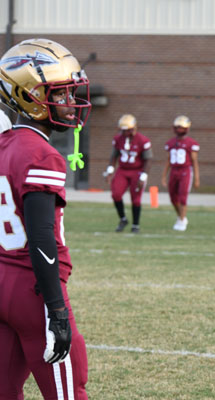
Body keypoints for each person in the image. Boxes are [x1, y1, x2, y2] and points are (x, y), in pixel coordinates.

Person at [0, 38, 90, 399]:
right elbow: (41, 238)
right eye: (61, 94)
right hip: (32, 288)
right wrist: (56, 309)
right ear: (30, 96)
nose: (71, 103)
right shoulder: (40, 154)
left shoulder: (5, 145)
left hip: (2, 277)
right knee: (68, 393)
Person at [103, 114, 153, 233]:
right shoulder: (118, 139)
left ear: (133, 129)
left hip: (137, 171)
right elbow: (114, 156)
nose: (124, 132)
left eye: (127, 130)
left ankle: (135, 225)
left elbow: (148, 160)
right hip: (122, 170)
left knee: (136, 199)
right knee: (116, 194)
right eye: (123, 130)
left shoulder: (143, 140)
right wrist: (110, 171)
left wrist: (143, 176)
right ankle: (123, 219)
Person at [161, 115, 200, 231]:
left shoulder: (191, 143)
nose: (179, 130)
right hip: (174, 171)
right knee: (173, 198)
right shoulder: (170, 143)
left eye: (181, 128)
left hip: (185, 171)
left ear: (186, 129)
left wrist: (197, 178)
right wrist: (164, 176)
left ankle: (182, 220)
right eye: (177, 127)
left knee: (183, 197)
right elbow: (168, 160)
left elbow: (194, 161)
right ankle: (180, 216)